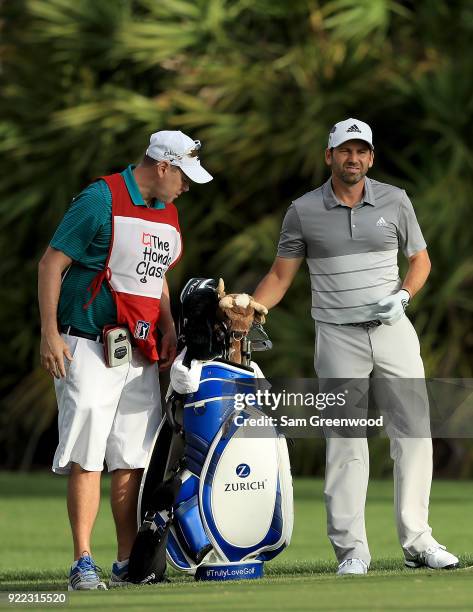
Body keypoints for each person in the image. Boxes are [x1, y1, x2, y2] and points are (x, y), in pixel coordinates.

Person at [253, 118, 459, 574]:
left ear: (371, 157)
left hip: (393, 331)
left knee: (414, 435)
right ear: (329, 156)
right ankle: (352, 552)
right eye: (345, 151)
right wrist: (251, 308)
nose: (354, 158)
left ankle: (418, 543)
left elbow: (420, 260)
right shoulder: (303, 210)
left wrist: (403, 295)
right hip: (337, 336)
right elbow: (280, 277)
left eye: (361, 151)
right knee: (345, 439)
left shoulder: (395, 200)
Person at [38, 130, 213, 590]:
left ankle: (124, 561)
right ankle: (82, 561)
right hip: (88, 345)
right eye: (183, 176)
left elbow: (156, 279)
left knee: (131, 457)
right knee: (87, 454)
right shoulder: (101, 198)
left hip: (138, 351)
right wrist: (50, 333)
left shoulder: (169, 213)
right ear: (162, 166)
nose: (187, 187)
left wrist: (170, 325)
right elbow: (51, 264)